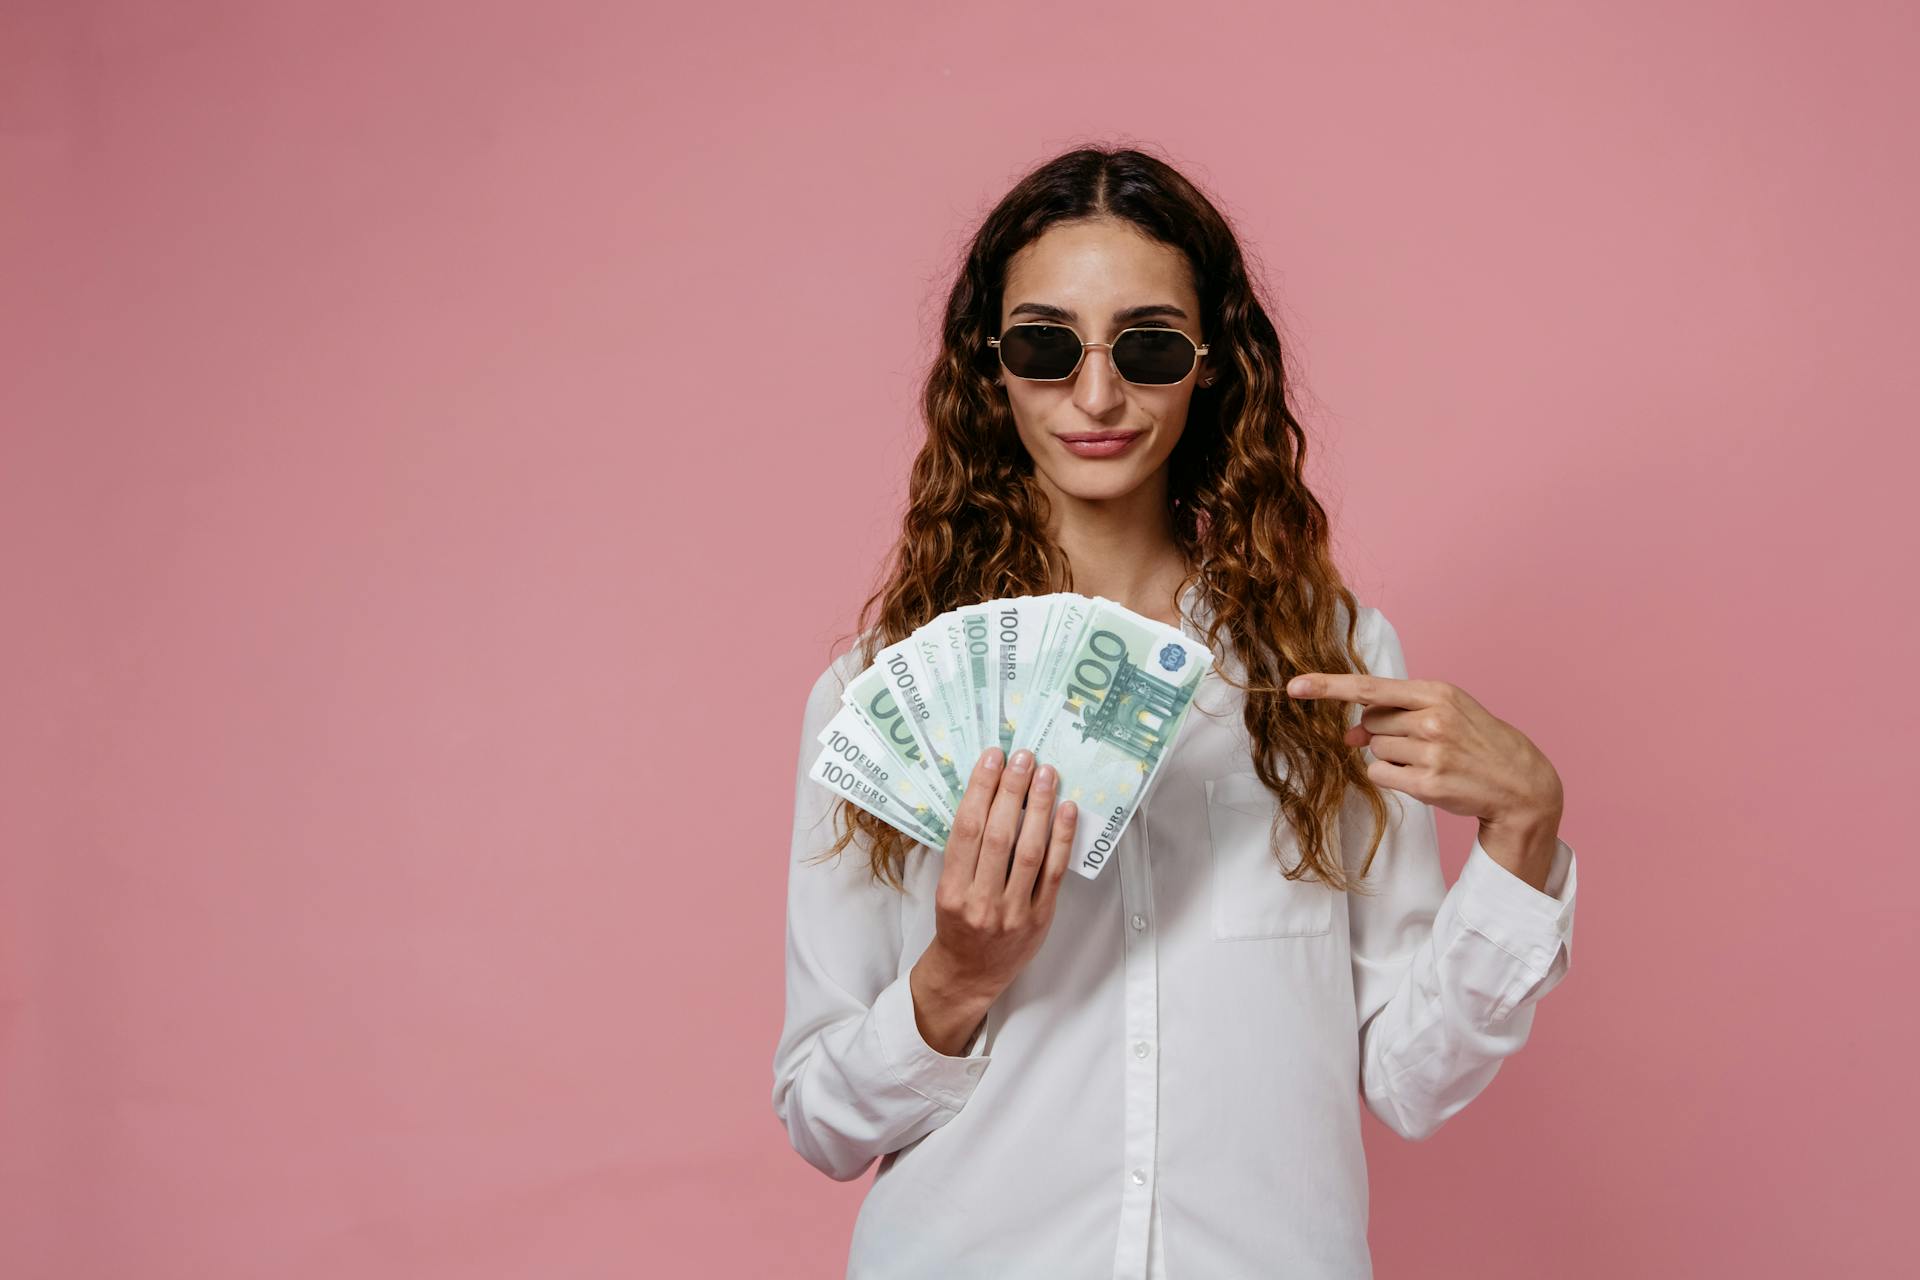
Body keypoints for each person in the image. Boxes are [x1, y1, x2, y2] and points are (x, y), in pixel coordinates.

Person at [770, 144, 1578, 1279]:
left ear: (1210, 366)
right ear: (990, 367)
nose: (1096, 395)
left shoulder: (1333, 663)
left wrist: (1524, 833)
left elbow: (1409, 1075)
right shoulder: (875, 694)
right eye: (1047, 346)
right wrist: (956, 975)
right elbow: (822, 1117)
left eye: (1146, 346)